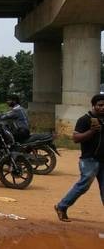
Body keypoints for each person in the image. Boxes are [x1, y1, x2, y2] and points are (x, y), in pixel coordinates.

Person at [54, 94, 104, 222]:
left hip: (102, 159)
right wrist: (92, 132)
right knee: (83, 185)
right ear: (93, 105)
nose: (103, 108)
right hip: (89, 159)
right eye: (100, 105)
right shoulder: (85, 119)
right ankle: (61, 206)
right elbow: (76, 138)